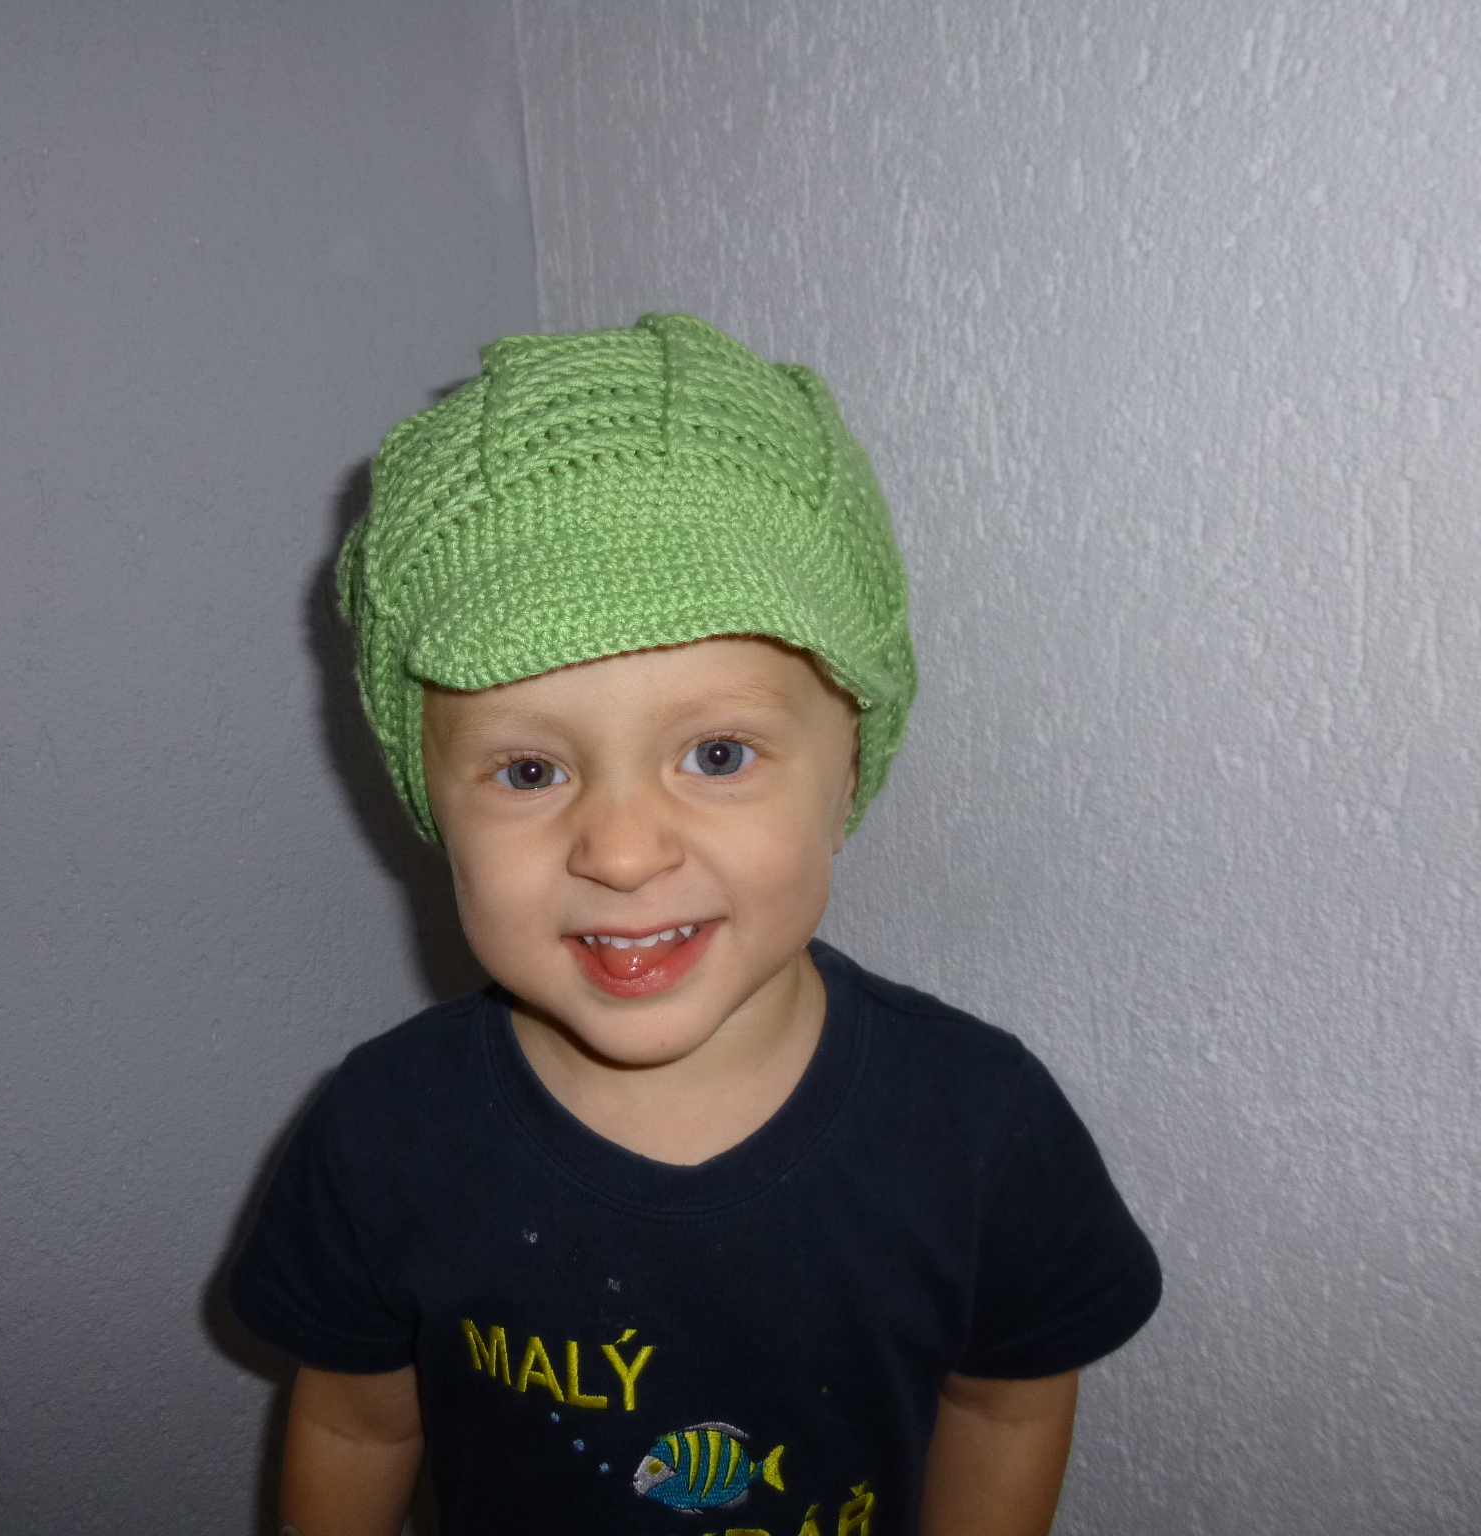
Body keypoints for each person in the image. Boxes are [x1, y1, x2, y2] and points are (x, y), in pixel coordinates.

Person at [227, 313, 1160, 1536]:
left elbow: (1004, 1409)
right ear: (430, 804)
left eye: (716, 753)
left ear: (849, 771)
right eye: (527, 771)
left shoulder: (981, 1127)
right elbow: (358, 1424)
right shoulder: (381, 1136)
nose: (621, 852)